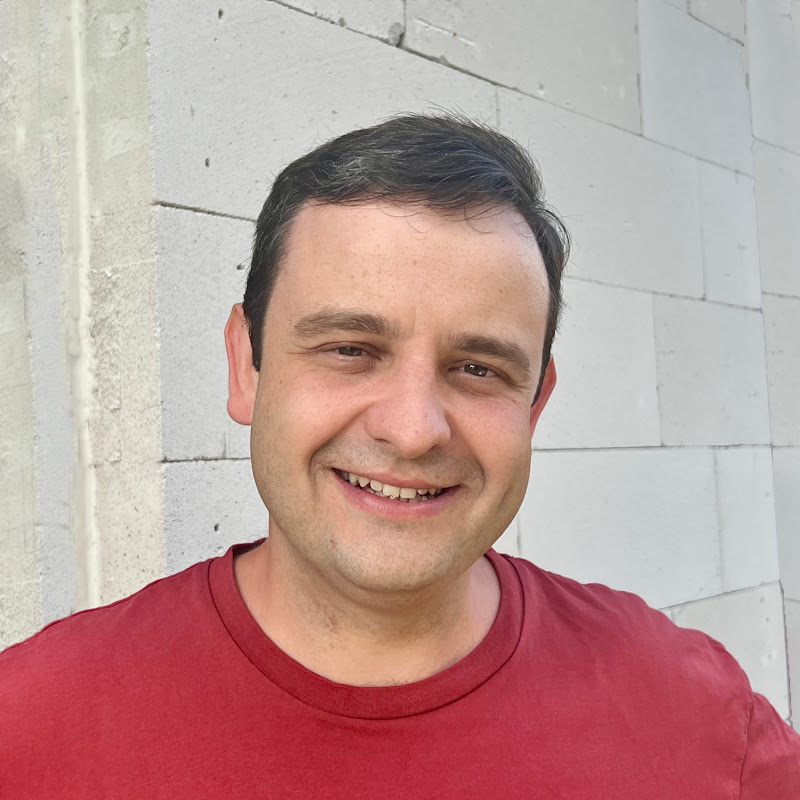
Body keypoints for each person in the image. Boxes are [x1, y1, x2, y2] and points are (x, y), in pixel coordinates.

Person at [1, 114, 798, 798]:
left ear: (535, 404)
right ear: (247, 366)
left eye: (477, 369)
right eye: (350, 349)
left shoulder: (690, 708)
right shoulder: (31, 728)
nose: (414, 430)